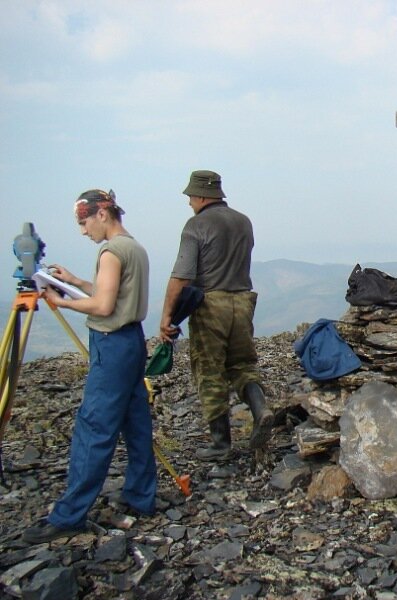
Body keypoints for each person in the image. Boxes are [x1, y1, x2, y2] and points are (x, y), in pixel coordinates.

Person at [23, 189, 156, 543]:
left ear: (102, 214)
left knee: (95, 426)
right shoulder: (134, 247)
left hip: (112, 346)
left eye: (83, 222)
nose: (83, 231)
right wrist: (74, 282)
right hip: (132, 341)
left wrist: (58, 301)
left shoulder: (110, 251)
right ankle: (141, 497)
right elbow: (110, 294)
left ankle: (69, 515)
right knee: (135, 421)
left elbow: (102, 306)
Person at [160, 170, 273, 461]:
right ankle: (261, 410)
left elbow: (181, 276)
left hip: (212, 305)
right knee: (242, 363)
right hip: (244, 301)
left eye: (190, 197)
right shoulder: (243, 221)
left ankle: (220, 444)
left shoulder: (195, 225)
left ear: (199, 196)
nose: (188, 203)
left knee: (209, 370)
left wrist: (167, 317)